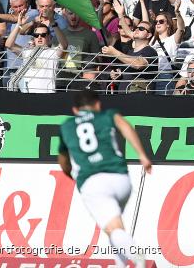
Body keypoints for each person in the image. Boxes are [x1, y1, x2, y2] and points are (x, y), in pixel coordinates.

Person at [57, 90, 150, 268]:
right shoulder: (108, 114)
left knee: (113, 230)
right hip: (121, 179)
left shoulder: (67, 126)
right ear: (98, 105)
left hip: (93, 183)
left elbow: (63, 160)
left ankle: (135, 253)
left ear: (75, 110)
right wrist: (142, 156)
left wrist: (70, 174)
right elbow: (125, 126)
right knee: (116, 230)